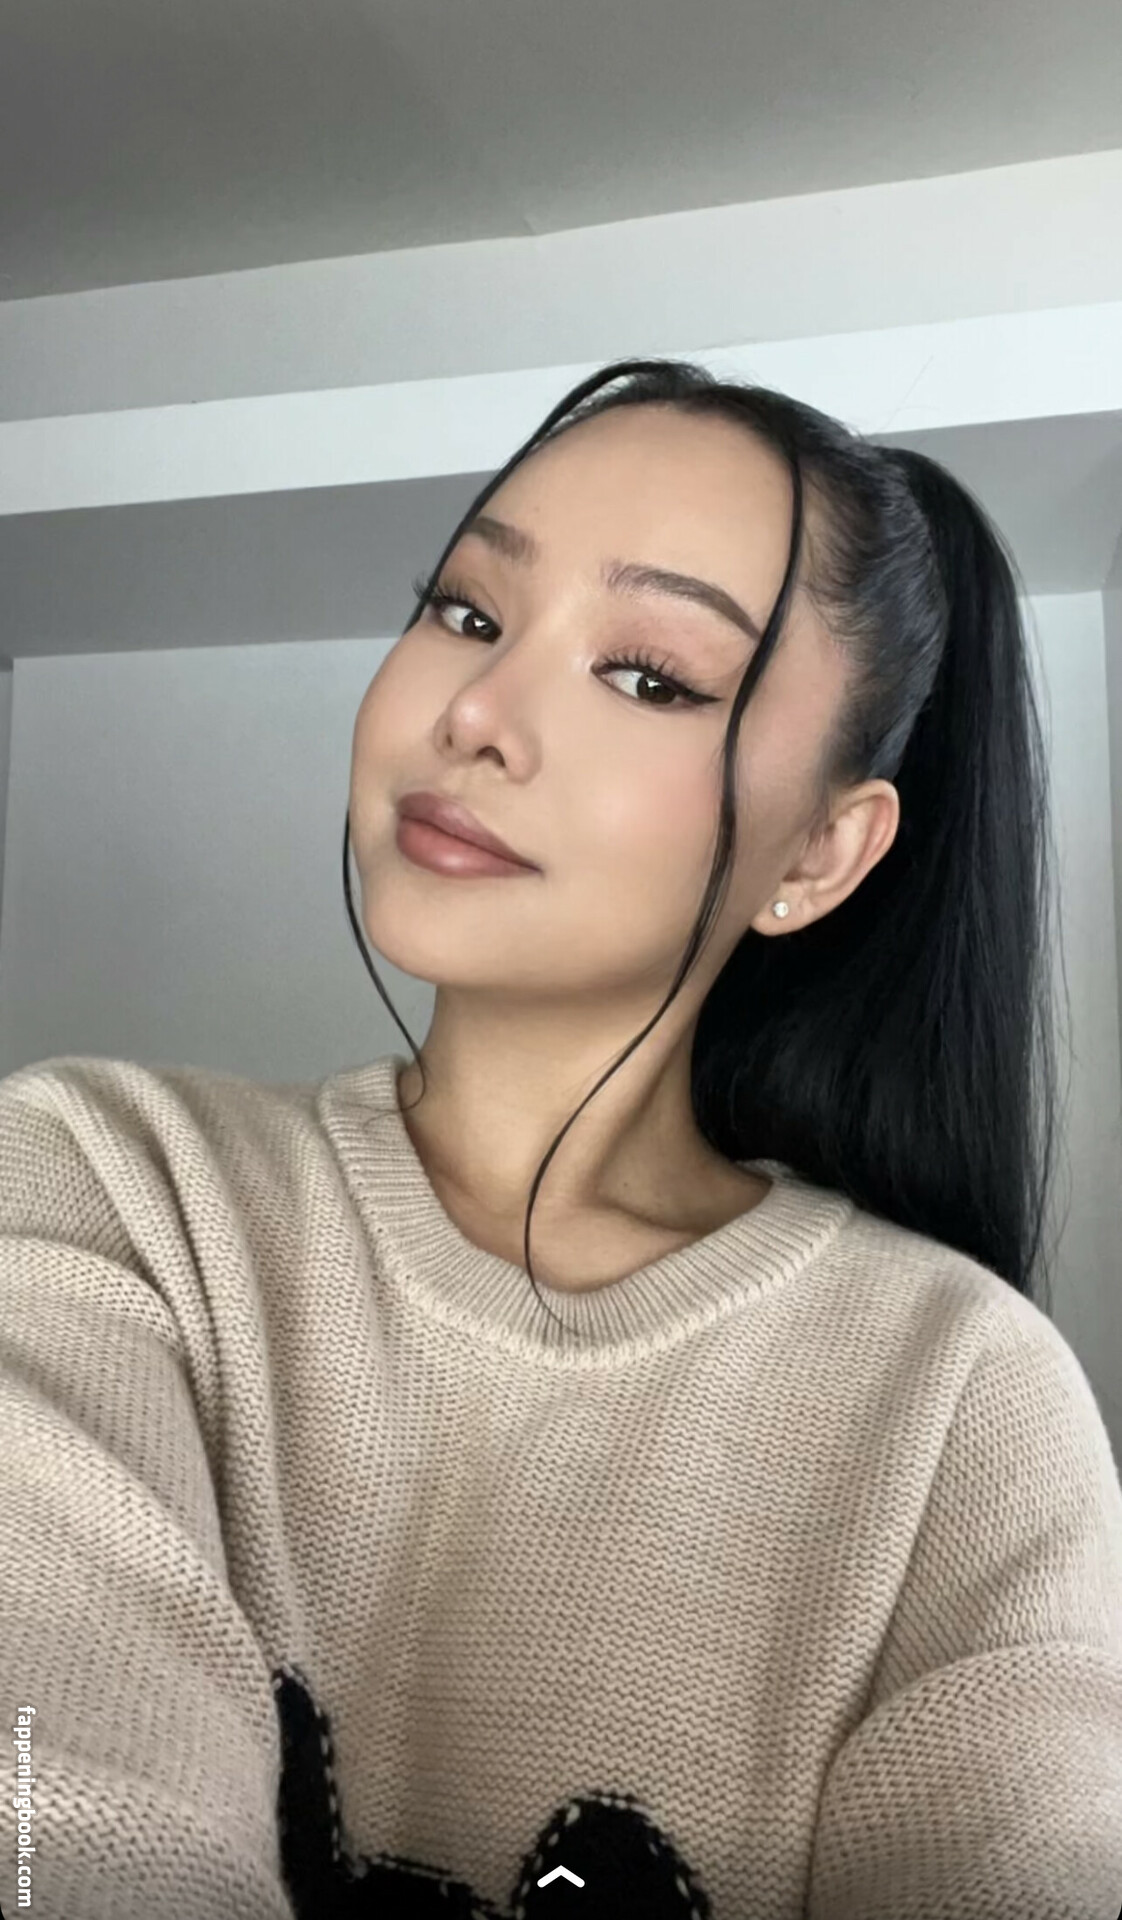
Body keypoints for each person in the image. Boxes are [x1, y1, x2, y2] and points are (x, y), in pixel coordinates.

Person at [1, 358, 1120, 1920]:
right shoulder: (106, 1184)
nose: (473, 714)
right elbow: (55, 1817)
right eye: (466, 610)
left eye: (648, 677)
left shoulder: (959, 1395)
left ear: (816, 852)